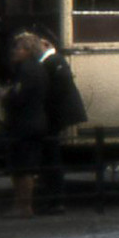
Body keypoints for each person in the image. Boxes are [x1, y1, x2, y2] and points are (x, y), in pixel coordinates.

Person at [0, 33, 48, 220]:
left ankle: (24, 206)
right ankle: (22, 205)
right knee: (21, 167)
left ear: (28, 50)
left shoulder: (27, 70)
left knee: (23, 168)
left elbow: (19, 96)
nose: (14, 51)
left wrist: (4, 95)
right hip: (29, 122)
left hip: (25, 123)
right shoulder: (34, 68)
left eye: (18, 48)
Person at [36, 33, 87, 215]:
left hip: (55, 117)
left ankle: (56, 200)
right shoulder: (53, 61)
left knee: (52, 157)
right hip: (56, 117)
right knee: (51, 156)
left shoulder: (53, 61)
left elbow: (59, 90)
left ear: (46, 44)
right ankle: (53, 198)